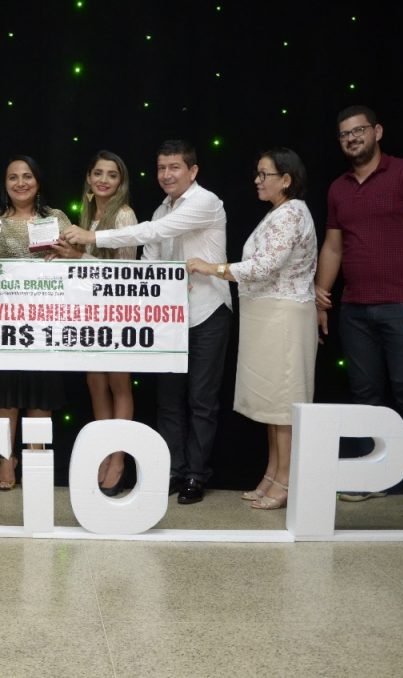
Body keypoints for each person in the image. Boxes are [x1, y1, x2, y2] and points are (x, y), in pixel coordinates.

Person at [62, 140, 230, 505]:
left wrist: (92, 237)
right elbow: (143, 269)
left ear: (193, 171)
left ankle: (195, 475)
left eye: (175, 167)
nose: (167, 174)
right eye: (162, 168)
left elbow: (152, 233)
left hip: (207, 311)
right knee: (168, 401)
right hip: (169, 317)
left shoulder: (205, 201)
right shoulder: (160, 208)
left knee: (201, 400)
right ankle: (173, 471)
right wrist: (82, 256)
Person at [315, 105, 403, 514]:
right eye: (344, 134)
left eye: (358, 130)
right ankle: (371, 480)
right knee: (365, 397)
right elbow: (334, 247)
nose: (352, 138)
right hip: (355, 310)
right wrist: (321, 294)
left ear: (377, 132)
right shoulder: (338, 188)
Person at [187, 148, 318, 510]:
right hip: (267, 315)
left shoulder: (292, 212)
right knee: (272, 404)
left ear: (286, 179)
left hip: (285, 316)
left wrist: (212, 268)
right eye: (258, 174)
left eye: (265, 174)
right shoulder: (277, 212)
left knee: (284, 404)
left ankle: (286, 480)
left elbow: (264, 267)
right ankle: (272, 474)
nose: (257, 181)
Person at [49, 150, 138, 495]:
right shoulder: (88, 216)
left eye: (112, 175)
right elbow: (84, 267)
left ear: (121, 181)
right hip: (90, 312)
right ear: (88, 177)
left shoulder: (124, 215)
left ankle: (118, 459)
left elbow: (125, 273)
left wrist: (78, 256)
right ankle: (103, 451)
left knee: (119, 384)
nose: (104, 180)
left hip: (118, 311)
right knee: (96, 383)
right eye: (98, 173)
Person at [0, 155, 72, 491]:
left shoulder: (56, 218)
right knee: (3, 391)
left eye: (27, 176)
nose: (20, 183)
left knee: (41, 389)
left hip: (46, 321)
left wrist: (64, 255)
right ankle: (5, 460)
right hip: (2, 321)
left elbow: (74, 264)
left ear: (38, 181)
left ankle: (35, 459)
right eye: (13, 177)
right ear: (5, 184)